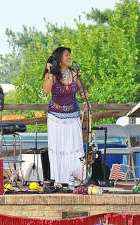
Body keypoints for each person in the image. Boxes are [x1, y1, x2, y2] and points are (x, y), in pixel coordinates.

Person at [43, 47, 87, 185]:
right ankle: (60, 179)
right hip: (56, 118)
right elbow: (46, 90)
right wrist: (49, 71)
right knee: (59, 148)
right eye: (66, 55)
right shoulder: (52, 75)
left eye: (70, 55)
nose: (69, 58)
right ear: (59, 59)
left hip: (73, 116)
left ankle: (77, 177)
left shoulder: (73, 74)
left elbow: (80, 89)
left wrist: (83, 95)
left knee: (74, 147)